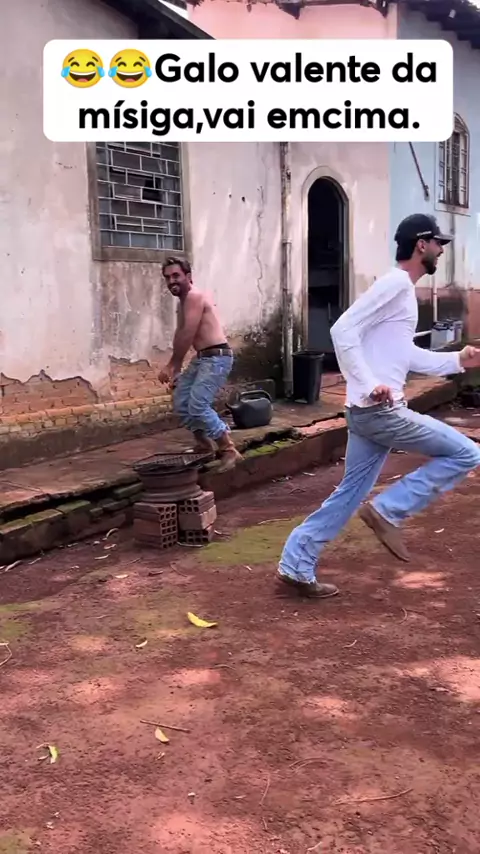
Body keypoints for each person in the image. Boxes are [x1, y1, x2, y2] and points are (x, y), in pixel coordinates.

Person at [276, 213, 480, 599]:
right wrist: (370, 385)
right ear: (421, 244)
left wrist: (457, 360)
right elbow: (341, 330)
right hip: (381, 412)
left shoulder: (401, 292)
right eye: (438, 243)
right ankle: (389, 510)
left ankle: (295, 563)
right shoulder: (395, 283)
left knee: (349, 492)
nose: (441, 250)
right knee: (466, 453)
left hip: (366, 414)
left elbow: (406, 355)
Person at [158, 257, 242, 472]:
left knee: (198, 405)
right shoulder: (183, 302)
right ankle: (203, 445)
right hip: (203, 358)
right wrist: (176, 369)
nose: (171, 281)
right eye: (167, 277)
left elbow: (188, 333)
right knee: (182, 401)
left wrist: (173, 364)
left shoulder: (194, 296)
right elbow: (180, 333)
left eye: (176, 275)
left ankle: (228, 450)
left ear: (188, 276)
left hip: (217, 357)